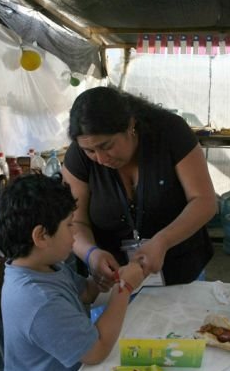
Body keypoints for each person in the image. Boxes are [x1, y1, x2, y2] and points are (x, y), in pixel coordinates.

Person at [0, 173, 145, 371]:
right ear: (41, 236)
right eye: (69, 225)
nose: (74, 234)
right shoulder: (38, 299)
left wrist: (102, 279)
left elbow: (84, 292)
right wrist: (124, 288)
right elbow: (97, 350)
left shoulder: (45, 266)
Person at [62, 86, 216, 288]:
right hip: (115, 280)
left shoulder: (170, 133)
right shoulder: (78, 156)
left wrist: (163, 241)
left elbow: (204, 201)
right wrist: (91, 254)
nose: (100, 159)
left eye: (107, 146)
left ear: (130, 126)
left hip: (181, 269)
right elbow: (75, 221)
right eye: (90, 150)